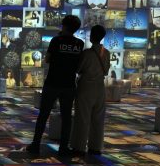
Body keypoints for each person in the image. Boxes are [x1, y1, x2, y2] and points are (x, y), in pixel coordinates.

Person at [26, 15, 84, 155]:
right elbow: (78, 64)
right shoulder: (79, 43)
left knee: (43, 114)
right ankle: (63, 147)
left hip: (52, 82)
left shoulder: (56, 40)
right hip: (69, 84)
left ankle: (36, 144)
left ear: (64, 26)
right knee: (66, 117)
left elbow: (47, 59)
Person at [70, 25, 111, 155]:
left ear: (92, 36)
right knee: (98, 119)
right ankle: (95, 147)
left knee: (82, 118)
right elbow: (106, 71)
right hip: (100, 87)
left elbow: (78, 69)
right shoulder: (106, 53)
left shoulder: (86, 53)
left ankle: (79, 146)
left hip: (85, 87)